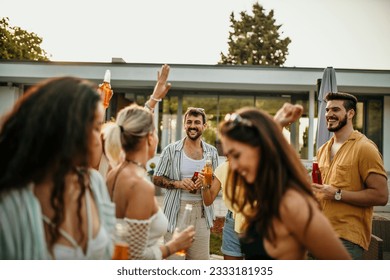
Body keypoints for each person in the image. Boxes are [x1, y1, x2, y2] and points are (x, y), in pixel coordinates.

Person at [0, 77, 116, 259]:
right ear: (65, 130)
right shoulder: (11, 204)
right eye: (96, 127)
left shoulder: (94, 184)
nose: (100, 138)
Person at [218, 106, 351, 259]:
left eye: (236, 155)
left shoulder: (293, 204)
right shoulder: (266, 194)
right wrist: (275, 125)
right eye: (229, 156)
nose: (233, 166)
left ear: (261, 149)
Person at [202, 103, 305, 260]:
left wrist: (277, 125)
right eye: (229, 152)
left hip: (260, 222)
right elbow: (209, 200)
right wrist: (204, 184)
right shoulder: (224, 168)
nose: (233, 165)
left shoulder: (269, 169)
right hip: (233, 221)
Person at [104, 104, 195, 260]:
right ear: (150, 138)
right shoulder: (139, 185)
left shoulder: (114, 173)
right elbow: (134, 258)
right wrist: (174, 245)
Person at [312, 92, 388, 259]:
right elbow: (323, 192)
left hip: (346, 239)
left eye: (336, 110)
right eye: (327, 110)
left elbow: (381, 196)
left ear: (350, 113)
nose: (329, 114)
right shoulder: (323, 149)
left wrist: (337, 194)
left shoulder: (365, 148)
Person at [153, 107, 219, 260]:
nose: (192, 126)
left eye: (197, 122)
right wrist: (179, 183)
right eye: (189, 122)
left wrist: (204, 184)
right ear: (184, 125)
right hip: (177, 212)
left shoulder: (212, 152)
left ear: (204, 126)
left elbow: (214, 184)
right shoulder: (170, 150)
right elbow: (156, 178)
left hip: (202, 214)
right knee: (174, 264)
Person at [93, 64, 172, 180]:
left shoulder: (120, 162)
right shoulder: (134, 181)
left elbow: (137, 124)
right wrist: (100, 108)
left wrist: (154, 99)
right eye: (153, 131)